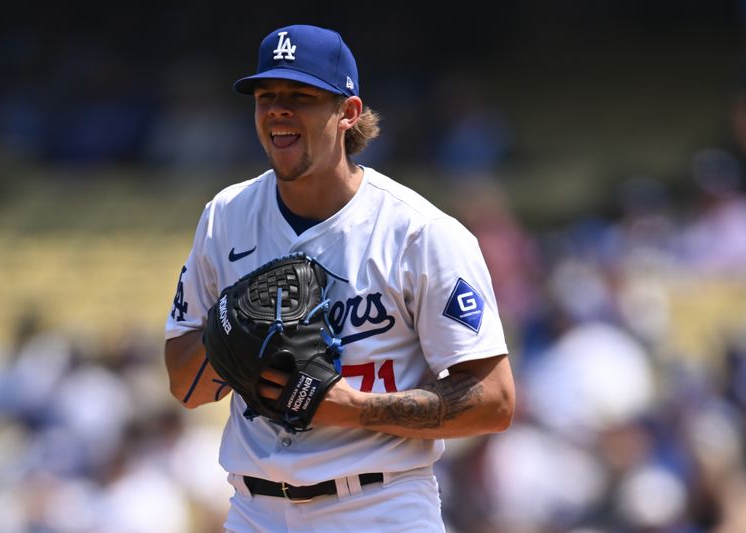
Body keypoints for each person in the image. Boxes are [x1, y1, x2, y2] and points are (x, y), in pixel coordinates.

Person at [164, 23, 516, 532]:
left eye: (300, 96)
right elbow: (185, 385)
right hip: (254, 509)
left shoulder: (420, 233)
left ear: (348, 113)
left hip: (379, 505)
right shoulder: (226, 216)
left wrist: (350, 409)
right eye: (267, 96)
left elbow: (494, 402)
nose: (278, 109)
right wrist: (231, 326)